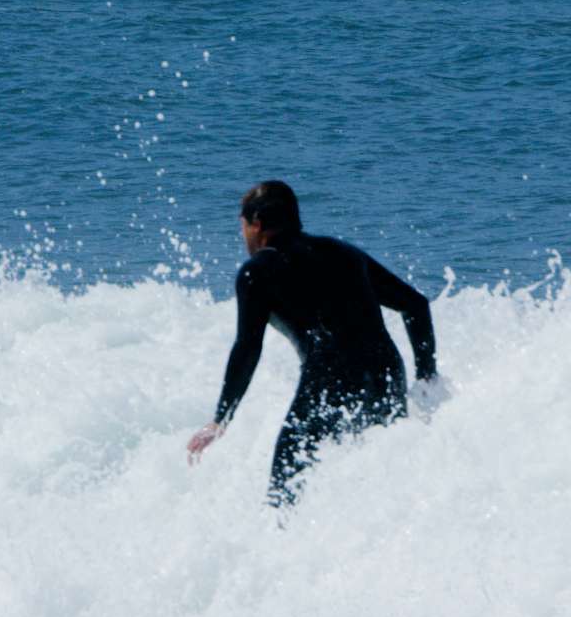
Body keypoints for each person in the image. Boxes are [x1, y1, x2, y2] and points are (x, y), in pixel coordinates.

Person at [186, 180, 437, 506]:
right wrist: (427, 377)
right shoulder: (343, 253)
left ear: (256, 223)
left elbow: (248, 348)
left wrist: (221, 418)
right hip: (385, 372)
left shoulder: (256, 272)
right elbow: (415, 305)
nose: (243, 235)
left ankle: (284, 535)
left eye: (243, 225)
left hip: (329, 380)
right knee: (385, 474)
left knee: (285, 490)